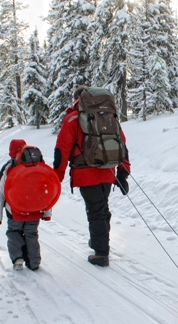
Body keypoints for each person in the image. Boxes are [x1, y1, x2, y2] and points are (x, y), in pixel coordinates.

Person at [53, 85, 131, 267]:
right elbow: (122, 144)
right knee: (102, 209)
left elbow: (61, 150)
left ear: (76, 99)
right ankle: (99, 242)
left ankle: (101, 253)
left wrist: (56, 178)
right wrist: (123, 172)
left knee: (96, 212)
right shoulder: (108, 117)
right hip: (108, 171)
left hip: (86, 173)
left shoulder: (73, 118)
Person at [0, 139, 51, 271]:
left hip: (15, 211)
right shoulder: (38, 167)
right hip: (35, 210)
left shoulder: (9, 168)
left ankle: (17, 257)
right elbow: (47, 191)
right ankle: (34, 262)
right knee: (31, 233)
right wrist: (47, 213)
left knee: (14, 232)